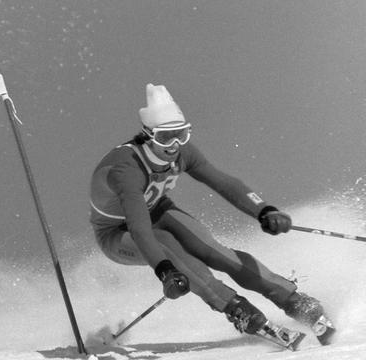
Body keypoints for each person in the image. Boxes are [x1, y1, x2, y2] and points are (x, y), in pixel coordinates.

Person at [89, 83, 332, 340]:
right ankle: (237, 309)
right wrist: (166, 272)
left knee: (214, 251)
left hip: (158, 210)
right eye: (164, 137)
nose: (174, 145)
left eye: (181, 134)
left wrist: (263, 210)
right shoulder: (126, 168)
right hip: (117, 232)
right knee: (170, 247)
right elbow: (139, 229)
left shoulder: (182, 152)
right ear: (147, 135)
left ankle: (293, 300)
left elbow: (221, 181)